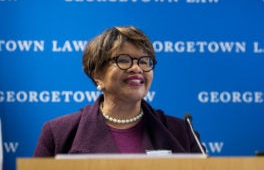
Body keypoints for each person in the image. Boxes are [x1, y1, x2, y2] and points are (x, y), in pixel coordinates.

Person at [34, 26, 206, 156]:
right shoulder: (59, 133)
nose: (137, 68)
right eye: (124, 60)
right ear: (97, 75)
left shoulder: (182, 132)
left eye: (145, 61)